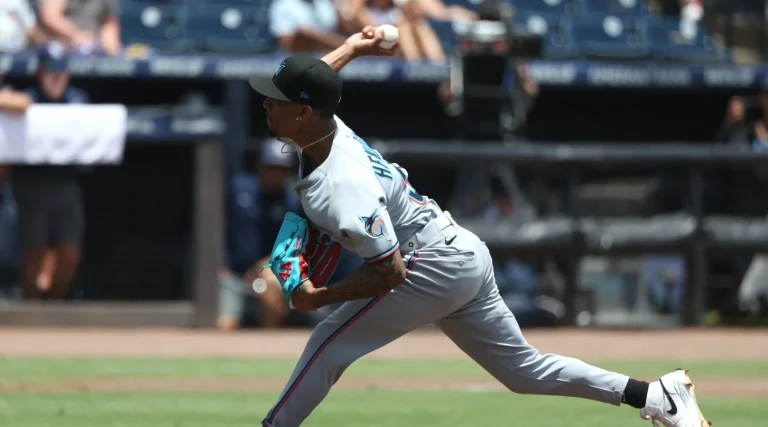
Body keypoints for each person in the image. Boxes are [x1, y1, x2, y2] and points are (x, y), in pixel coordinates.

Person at [248, 26, 710, 427]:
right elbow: (316, 84)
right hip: (461, 249)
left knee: (327, 341)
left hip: (425, 264)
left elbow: (390, 274)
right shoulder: (327, 125)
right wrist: (351, 47)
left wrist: (319, 297)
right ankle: (656, 396)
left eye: (275, 100)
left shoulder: (343, 188)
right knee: (525, 372)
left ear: (303, 114)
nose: (266, 104)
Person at [11, 42, 87, 300]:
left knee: (69, 250)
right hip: (31, 182)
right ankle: (31, 303)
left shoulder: (78, 100)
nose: (56, 75)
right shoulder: (24, 97)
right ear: (38, 72)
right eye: (50, 68)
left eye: (62, 68)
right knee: (34, 247)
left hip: (66, 182)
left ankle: (54, 303)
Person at [38, 0, 121, 55]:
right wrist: (76, 35)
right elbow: (50, 17)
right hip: (58, 49)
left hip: (93, 50)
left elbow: (108, 23)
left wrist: (112, 50)